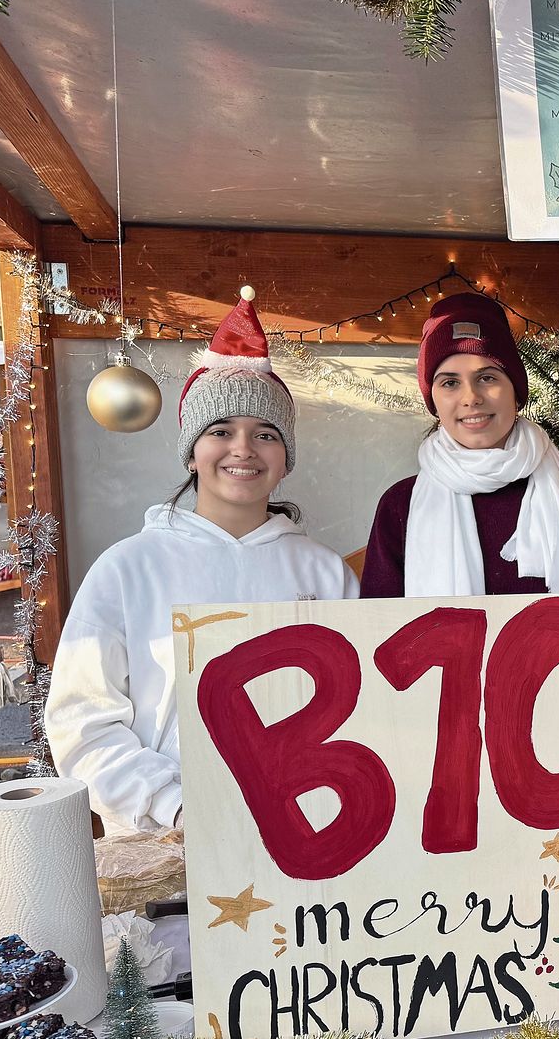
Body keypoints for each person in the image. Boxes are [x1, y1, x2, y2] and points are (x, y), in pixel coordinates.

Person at [47, 289, 358, 834]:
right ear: (192, 452)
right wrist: (173, 804)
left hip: (309, 832)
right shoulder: (128, 568)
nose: (244, 449)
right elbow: (83, 720)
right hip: (169, 847)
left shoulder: (324, 573)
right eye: (221, 432)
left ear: (286, 458)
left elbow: (361, 709)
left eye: (265, 435)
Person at [361, 293, 559, 596]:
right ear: (433, 401)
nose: (471, 397)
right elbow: (378, 627)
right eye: (450, 382)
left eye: (487, 378)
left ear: (515, 391)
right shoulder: (399, 505)